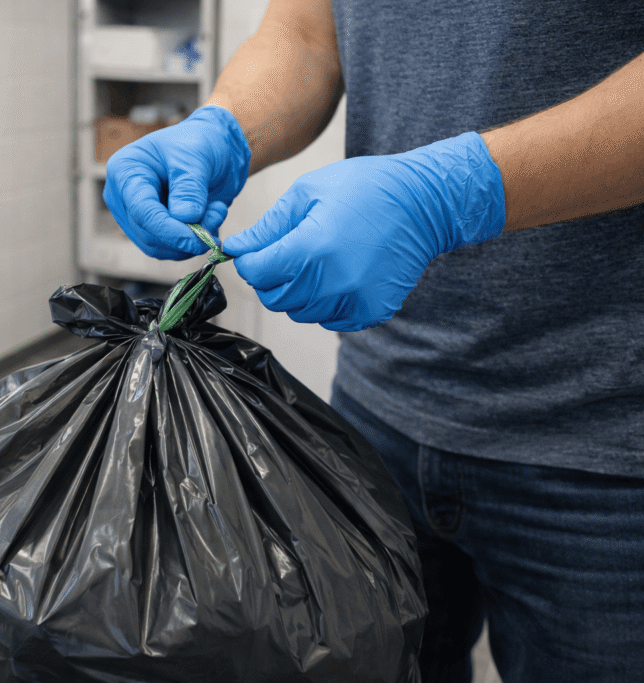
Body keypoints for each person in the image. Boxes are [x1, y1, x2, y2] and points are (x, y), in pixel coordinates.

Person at [103, 0, 644, 681]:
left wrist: (451, 193)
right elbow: (305, 33)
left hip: (608, 454)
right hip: (372, 420)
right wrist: (224, 126)